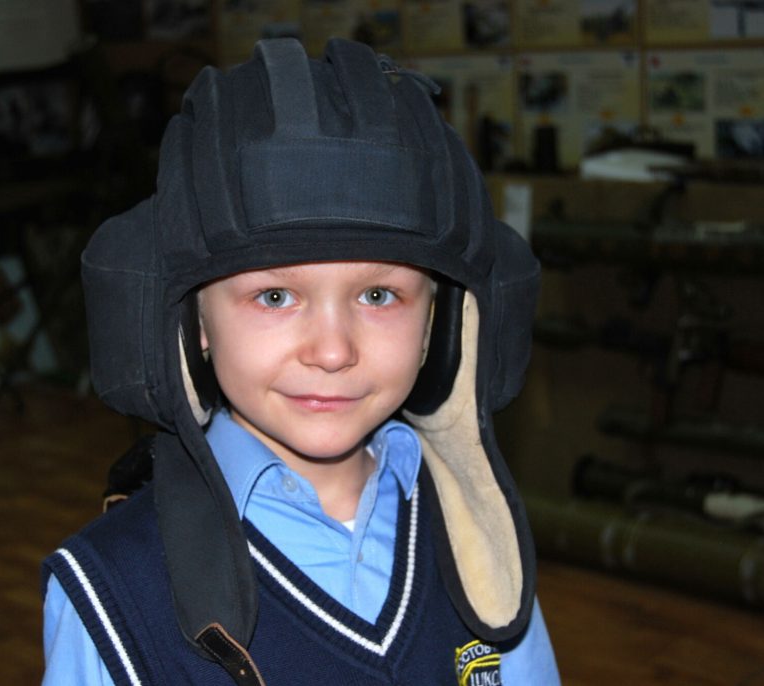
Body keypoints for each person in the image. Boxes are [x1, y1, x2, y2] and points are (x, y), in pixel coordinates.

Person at [42, 37, 560, 685]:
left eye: (379, 295)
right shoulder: (114, 594)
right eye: (275, 296)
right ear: (193, 322)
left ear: (441, 322)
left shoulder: (482, 551)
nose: (333, 351)